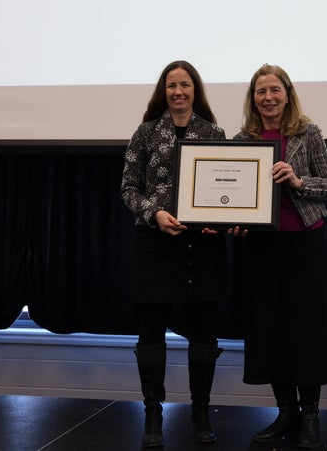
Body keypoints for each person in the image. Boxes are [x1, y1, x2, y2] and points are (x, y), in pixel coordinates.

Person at [232, 64, 327, 449]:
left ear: (287, 93)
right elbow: (233, 197)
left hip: (305, 244)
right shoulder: (243, 139)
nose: (268, 98)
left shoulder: (307, 133)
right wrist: (234, 221)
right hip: (263, 248)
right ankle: (286, 413)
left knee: (306, 329)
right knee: (270, 330)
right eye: (261, 92)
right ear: (253, 98)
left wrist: (297, 180)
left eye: (274, 90)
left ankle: (310, 415)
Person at [120, 60, 227, 448]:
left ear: (195, 89)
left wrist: (220, 216)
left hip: (203, 246)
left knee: (204, 334)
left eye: (185, 85)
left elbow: (224, 184)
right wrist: (155, 213)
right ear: (163, 92)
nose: (178, 92)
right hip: (153, 243)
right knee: (151, 334)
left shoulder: (214, 133)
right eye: (171, 86)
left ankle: (201, 411)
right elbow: (129, 188)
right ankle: (152, 414)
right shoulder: (146, 132)